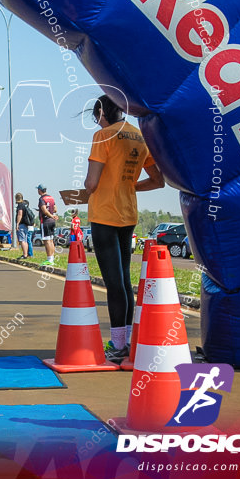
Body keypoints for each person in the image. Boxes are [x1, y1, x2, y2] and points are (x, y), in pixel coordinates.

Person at [84, 94, 164, 362]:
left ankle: (118, 347)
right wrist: (130, 186)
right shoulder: (138, 136)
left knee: (113, 282)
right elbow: (157, 180)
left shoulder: (103, 136)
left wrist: (83, 191)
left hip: (105, 214)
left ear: (101, 111)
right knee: (124, 280)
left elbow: (91, 183)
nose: (97, 122)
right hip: (128, 215)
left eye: (96, 116)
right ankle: (125, 341)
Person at [37, 184, 58, 265]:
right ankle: (51, 259)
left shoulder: (42, 199)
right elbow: (55, 209)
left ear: (39, 190)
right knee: (51, 240)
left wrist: (50, 215)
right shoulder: (51, 198)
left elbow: (44, 210)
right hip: (52, 221)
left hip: (45, 221)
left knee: (46, 241)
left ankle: (49, 259)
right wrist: (52, 215)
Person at [14, 193, 35, 259]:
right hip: (26, 225)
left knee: (22, 240)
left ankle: (25, 254)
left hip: (22, 224)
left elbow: (20, 214)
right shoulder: (25, 205)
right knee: (25, 240)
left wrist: (17, 223)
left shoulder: (20, 205)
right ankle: (26, 254)